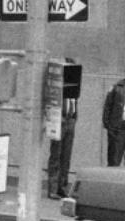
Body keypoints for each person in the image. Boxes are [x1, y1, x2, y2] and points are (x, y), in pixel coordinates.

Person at [48, 57, 78, 200]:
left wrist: (73, 118)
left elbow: (74, 104)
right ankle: (53, 188)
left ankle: (62, 187)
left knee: (66, 156)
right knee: (56, 156)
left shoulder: (74, 86)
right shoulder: (57, 85)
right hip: (59, 120)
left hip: (70, 120)